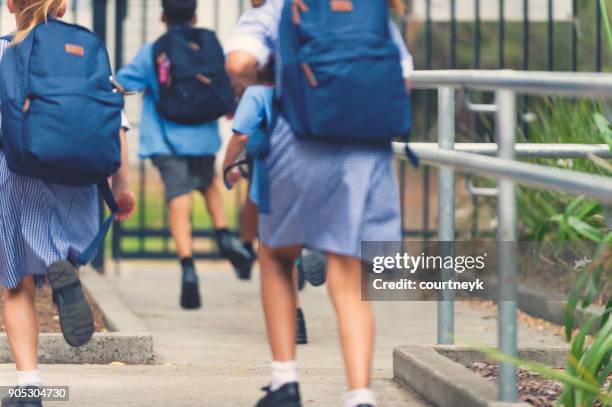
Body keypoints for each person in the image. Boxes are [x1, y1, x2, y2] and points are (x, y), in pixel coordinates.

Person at [225, 0, 413, 406]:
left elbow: (239, 63)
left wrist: (273, 74)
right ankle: (360, 394)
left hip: (301, 141)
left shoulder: (276, 9)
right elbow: (403, 76)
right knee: (347, 274)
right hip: (365, 148)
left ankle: (284, 382)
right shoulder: (372, 9)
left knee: (276, 255)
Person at [0, 1, 135, 406]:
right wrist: (121, 186)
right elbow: (117, 123)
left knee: (17, 286)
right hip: (79, 174)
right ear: (62, 5)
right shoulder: (87, 47)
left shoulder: (6, 51)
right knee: (61, 249)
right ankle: (65, 269)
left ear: (11, 6)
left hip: (20, 172)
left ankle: (28, 389)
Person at [116, 0, 255, 310]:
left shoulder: (154, 51)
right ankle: (223, 233)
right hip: (204, 136)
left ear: (163, 16)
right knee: (207, 183)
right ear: (194, 16)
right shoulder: (209, 45)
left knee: (178, 198)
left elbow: (121, 84)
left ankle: (188, 267)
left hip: (166, 140)